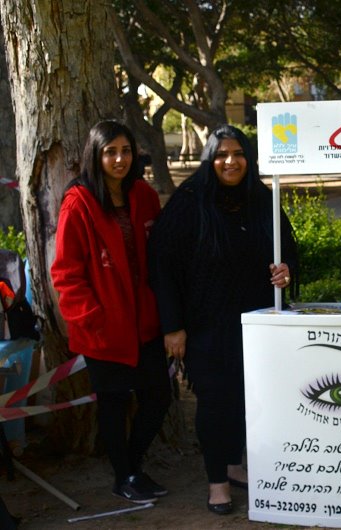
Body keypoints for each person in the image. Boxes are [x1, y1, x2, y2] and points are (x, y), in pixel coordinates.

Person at [148, 125, 298, 515]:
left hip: (257, 323)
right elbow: (162, 266)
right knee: (215, 402)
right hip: (205, 326)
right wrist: (172, 326)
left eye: (238, 153)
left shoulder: (261, 198)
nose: (231, 162)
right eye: (221, 155)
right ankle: (218, 483)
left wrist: (286, 270)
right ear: (209, 160)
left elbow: (289, 250)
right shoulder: (189, 201)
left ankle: (234, 464)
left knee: (249, 400)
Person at [51, 120, 171, 504]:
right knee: (114, 405)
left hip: (146, 322)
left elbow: (161, 255)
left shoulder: (144, 195)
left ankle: (133, 467)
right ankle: (124, 477)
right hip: (103, 328)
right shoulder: (79, 202)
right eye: (110, 152)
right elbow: (66, 273)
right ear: (96, 155)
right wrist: (93, 319)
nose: (120, 159)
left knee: (159, 397)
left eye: (126, 151)